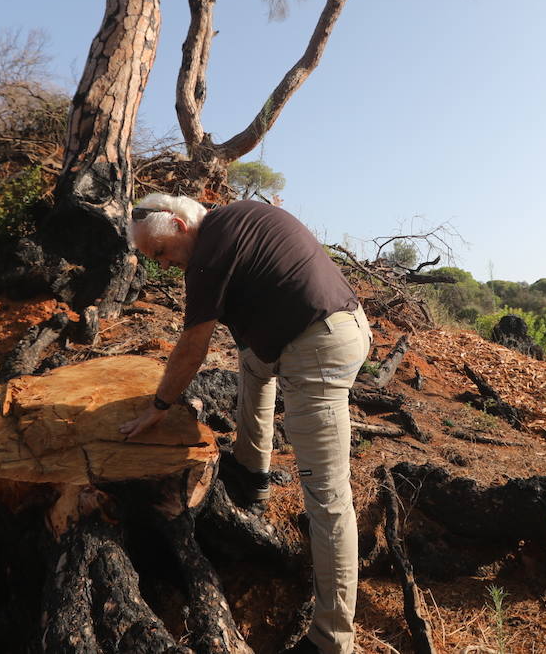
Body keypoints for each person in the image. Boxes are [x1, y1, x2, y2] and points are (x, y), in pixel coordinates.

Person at [120, 193, 371, 654]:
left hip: (317, 350)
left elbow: (192, 347)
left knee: (328, 498)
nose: (164, 265)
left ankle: (332, 639)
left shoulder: (208, 256)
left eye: (161, 252)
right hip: (333, 325)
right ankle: (252, 471)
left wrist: (159, 406)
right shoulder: (236, 218)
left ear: (179, 226)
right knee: (252, 359)